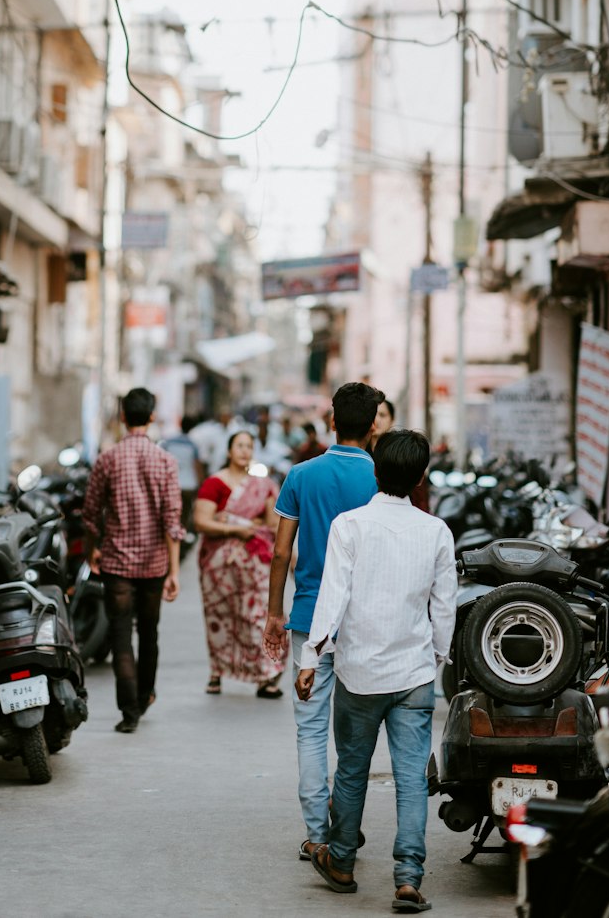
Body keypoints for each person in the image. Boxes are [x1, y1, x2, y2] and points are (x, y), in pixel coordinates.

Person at [297, 429, 457, 914]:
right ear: (420, 476)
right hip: (413, 675)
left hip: (359, 672)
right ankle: (408, 879)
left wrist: (310, 658)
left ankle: (341, 862)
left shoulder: (349, 526)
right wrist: (434, 661)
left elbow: (332, 600)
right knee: (411, 780)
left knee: (351, 771)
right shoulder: (436, 531)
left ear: (376, 471)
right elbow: (444, 609)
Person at [263, 381, 382, 860]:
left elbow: (279, 552)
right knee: (354, 732)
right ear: (373, 425)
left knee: (310, 728)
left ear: (332, 420)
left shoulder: (301, 475)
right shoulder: (382, 479)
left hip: (309, 616)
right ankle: (345, 823)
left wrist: (275, 612)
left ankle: (317, 833)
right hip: (365, 619)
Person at [81, 387, 184, 734]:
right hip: (154, 564)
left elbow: (91, 513)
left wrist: (91, 549)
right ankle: (144, 695)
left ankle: (129, 712)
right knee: (149, 632)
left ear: (123, 417)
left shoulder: (107, 458)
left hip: (117, 563)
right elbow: (173, 519)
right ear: (152, 417)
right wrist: (173, 570)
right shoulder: (166, 461)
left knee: (121, 635)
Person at [194, 430, 288, 696]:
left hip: (254, 565)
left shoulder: (262, 485)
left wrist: (245, 523)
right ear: (228, 451)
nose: (245, 451)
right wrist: (236, 529)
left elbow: (273, 523)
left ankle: (265, 674)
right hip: (218, 567)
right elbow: (202, 522)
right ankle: (218, 671)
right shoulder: (215, 483)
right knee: (220, 618)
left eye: (249, 446)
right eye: (239, 446)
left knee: (257, 616)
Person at [370, 399, 430, 513]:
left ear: (392, 419)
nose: (376, 420)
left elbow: (421, 502)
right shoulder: (363, 457)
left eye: (382, 415)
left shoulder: (407, 453)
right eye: (373, 415)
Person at [160, 416, 204, 538]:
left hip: (171, 484)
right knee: (183, 514)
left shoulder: (169, 442)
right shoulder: (193, 445)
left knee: (169, 514)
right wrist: (201, 483)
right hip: (188, 485)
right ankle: (180, 538)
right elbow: (197, 466)